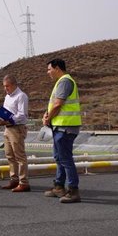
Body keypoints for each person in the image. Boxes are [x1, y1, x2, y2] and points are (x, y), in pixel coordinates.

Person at [42, 58, 82, 203]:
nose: (48, 72)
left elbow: (58, 104)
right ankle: (59, 186)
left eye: (49, 69)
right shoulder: (62, 81)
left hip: (66, 127)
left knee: (65, 159)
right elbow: (55, 104)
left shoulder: (64, 81)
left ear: (57, 68)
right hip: (60, 126)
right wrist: (47, 114)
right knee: (59, 158)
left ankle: (73, 190)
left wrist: (48, 118)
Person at [0, 75, 30, 192]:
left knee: (19, 156)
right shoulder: (7, 97)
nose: (5, 88)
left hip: (17, 128)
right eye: (4, 86)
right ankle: (14, 179)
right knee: (9, 155)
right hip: (8, 128)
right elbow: (6, 112)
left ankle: (23, 182)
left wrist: (8, 120)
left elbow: (22, 115)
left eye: (7, 86)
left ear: (14, 85)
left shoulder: (21, 96)